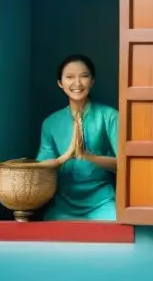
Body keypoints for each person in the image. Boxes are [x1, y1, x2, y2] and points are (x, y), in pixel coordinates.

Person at [36, 54, 119, 221]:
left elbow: (126, 165)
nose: (77, 83)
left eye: (84, 76)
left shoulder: (110, 116)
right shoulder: (51, 123)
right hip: (62, 203)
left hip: (102, 201)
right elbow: (41, 169)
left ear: (92, 81)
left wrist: (88, 156)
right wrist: (66, 156)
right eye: (69, 77)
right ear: (60, 83)